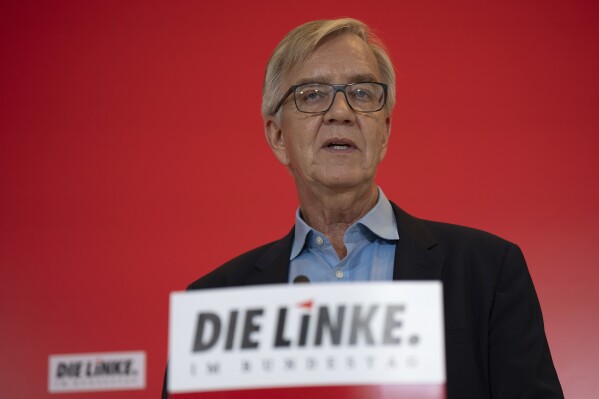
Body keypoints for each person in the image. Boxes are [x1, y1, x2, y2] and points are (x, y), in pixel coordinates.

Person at [163, 18, 563, 398]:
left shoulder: (488, 271)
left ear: (384, 130)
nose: (341, 112)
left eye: (362, 93)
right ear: (278, 135)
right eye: (313, 95)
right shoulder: (215, 301)